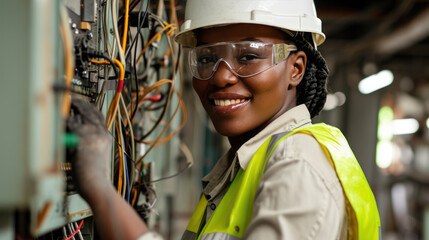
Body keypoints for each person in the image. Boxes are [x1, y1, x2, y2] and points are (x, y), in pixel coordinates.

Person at [68, 0, 381, 239]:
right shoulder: (241, 170)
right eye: (205, 58)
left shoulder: (298, 163)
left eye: (247, 56)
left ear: (296, 68)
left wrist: (99, 188)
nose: (220, 76)